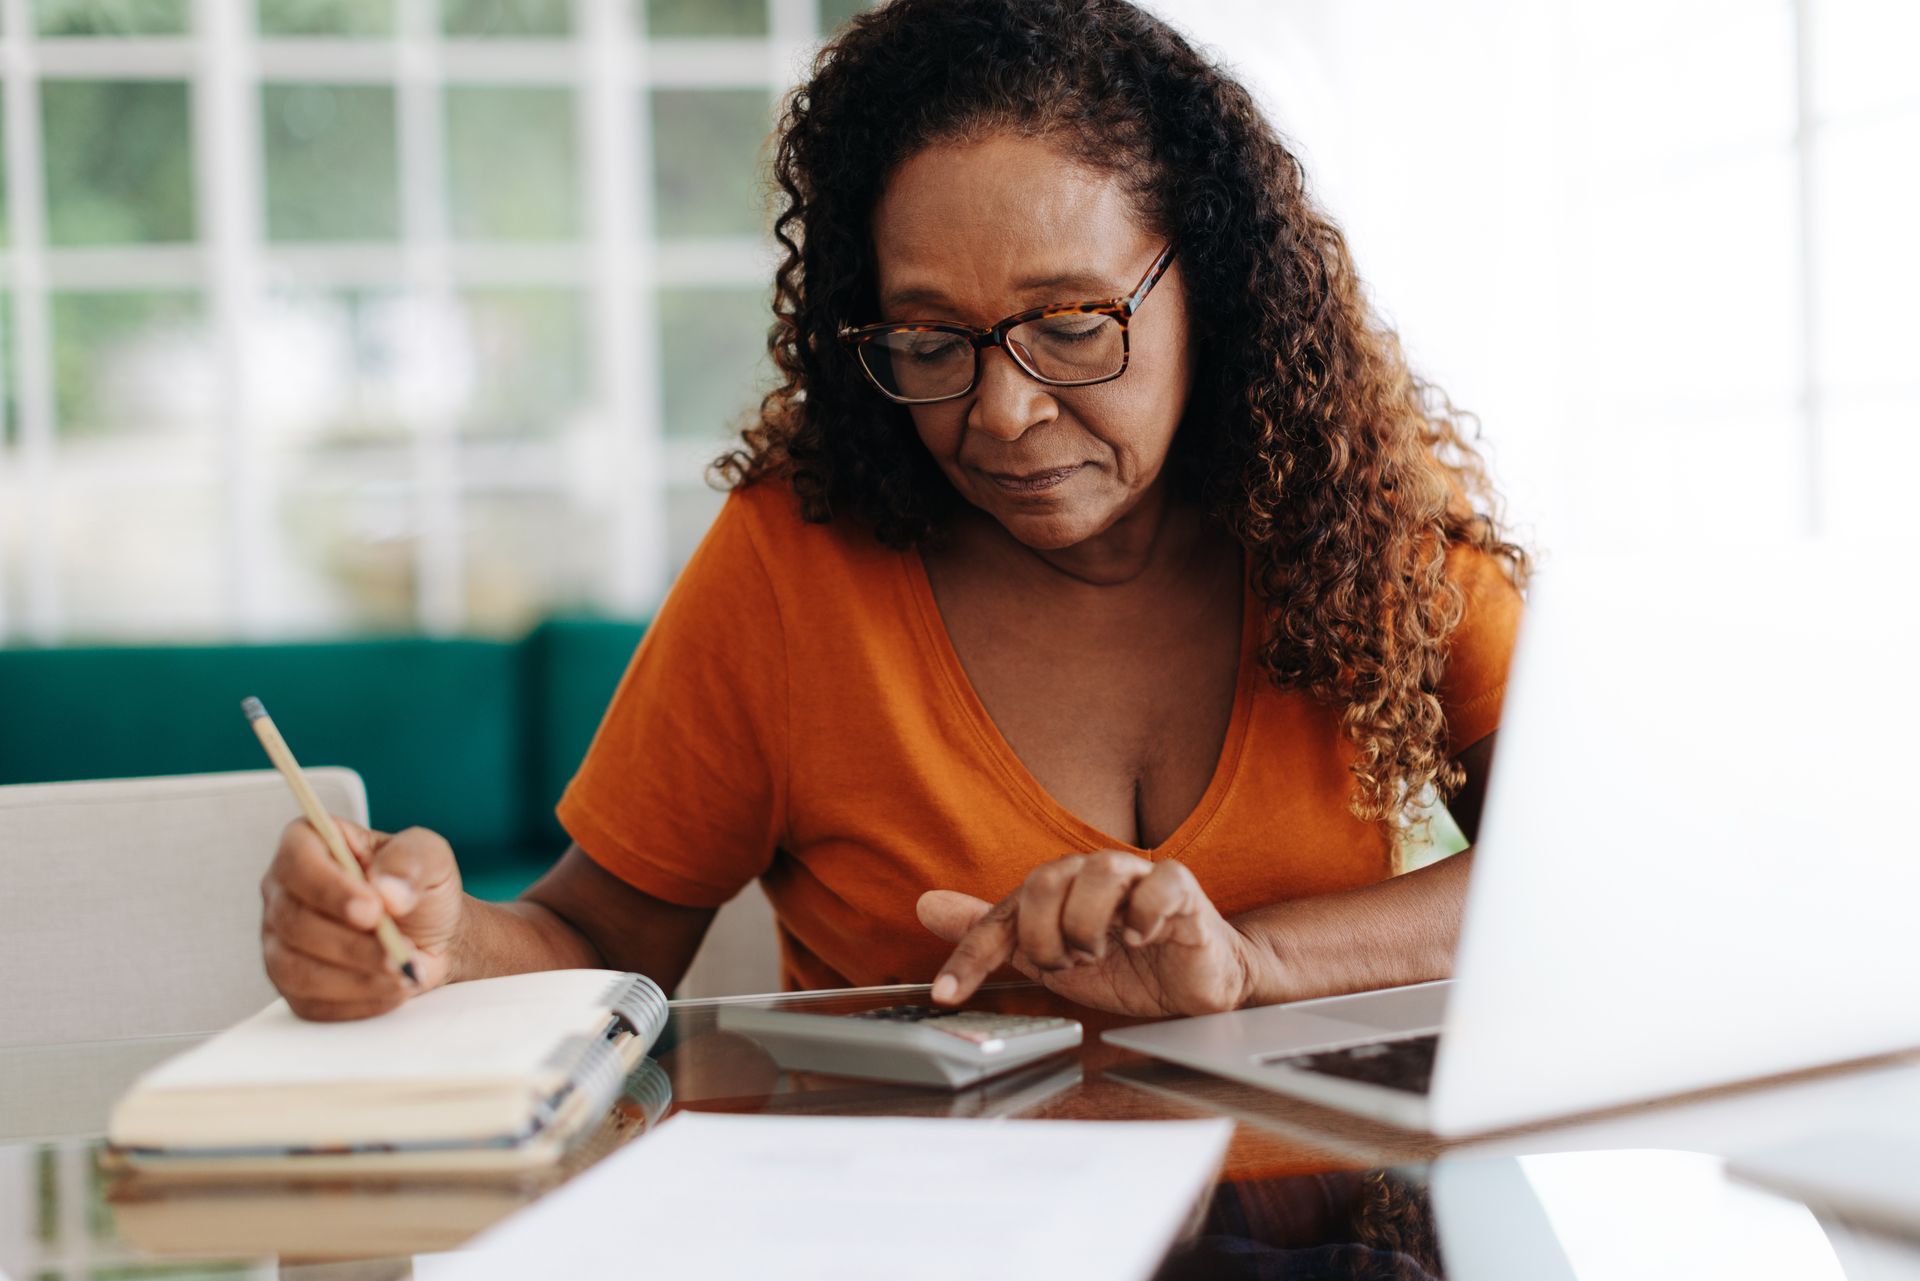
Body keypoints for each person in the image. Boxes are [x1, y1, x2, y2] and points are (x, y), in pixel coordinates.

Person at [258, 0, 1527, 1023]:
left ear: (1218, 284)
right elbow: (596, 937)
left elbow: (1581, 863)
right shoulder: (790, 563)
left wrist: (1254, 964)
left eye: (1074, 324)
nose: (1002, 415)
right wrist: (436, 936)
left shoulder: (1359, 504)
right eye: (928, 340)